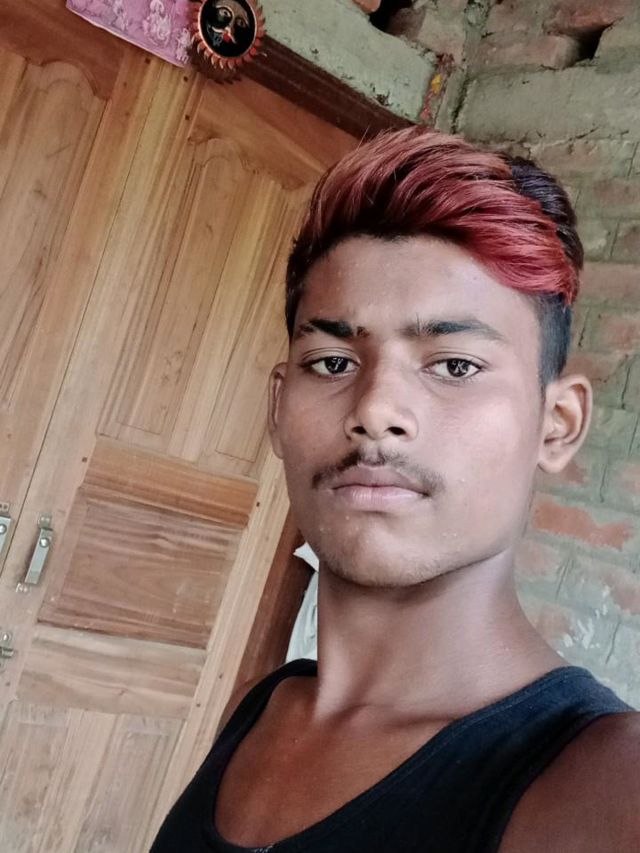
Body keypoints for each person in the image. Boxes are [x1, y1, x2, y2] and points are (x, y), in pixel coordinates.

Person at [150, 129, 640, 852]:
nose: (376, 409)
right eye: (332, 361)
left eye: (455, 365)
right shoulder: (263, 706)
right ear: (278, 408)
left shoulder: (605, 783)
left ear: (557, 424)